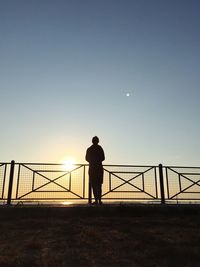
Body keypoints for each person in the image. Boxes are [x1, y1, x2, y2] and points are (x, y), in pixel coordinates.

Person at [86, 136, 105, 205]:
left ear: (92, 141)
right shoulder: (100, 148)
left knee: (94, 185)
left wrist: (92, 161)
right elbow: (103, 158)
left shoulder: (89, 149)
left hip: (92, 168)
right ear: (98, 141)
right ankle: (99, 200)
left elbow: (86, 158)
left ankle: (96, 200)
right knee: (99, 185)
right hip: (99, 168)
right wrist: (97, 161)